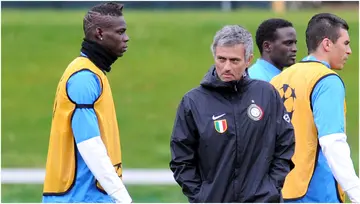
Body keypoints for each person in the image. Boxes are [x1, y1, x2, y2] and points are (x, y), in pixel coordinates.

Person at [169, 25, 295, 203]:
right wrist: (202, 196)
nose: (226, 67)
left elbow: (285, 142)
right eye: (221, 59)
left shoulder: (267, 94)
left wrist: (271, 187)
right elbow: (181, 159)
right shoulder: (193, 101)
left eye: (234, 61)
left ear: (248, 60)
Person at [42, 2, 132, 203]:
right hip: (79, 197)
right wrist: (123, 198)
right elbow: (89, 144)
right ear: (100, 33)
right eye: (120, 32)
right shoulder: (84, 78)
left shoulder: (92, 73)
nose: (126, 38)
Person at [270, 13, 360, 203]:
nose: (350, 50)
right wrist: (355, 191)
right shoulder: (326, 80)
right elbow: (332, 141)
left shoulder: (278, 80)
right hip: (317, 192)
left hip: (280, 191)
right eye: (345, 43)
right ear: (327, 44)